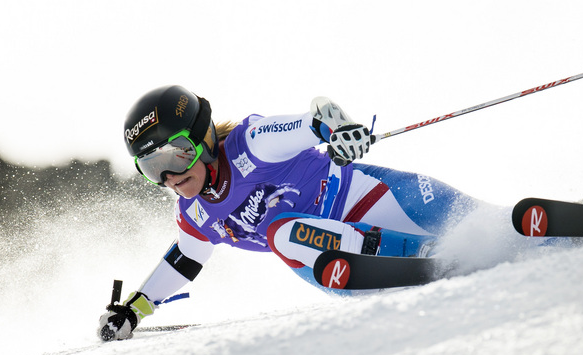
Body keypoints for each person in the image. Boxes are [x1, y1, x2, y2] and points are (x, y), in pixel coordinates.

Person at [99, 84, 490, 341]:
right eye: (152, 168)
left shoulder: (251, 143)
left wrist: (340, 133)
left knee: (487, 226)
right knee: (283, 234)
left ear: (201, 140)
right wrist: (132, 311)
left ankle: (466, 247)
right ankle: (421, 257)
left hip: (377, 197)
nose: (169, 176)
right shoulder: (195, 215)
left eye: (175, 156)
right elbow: (183, 260)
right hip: (333, 252)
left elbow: (318, 118)